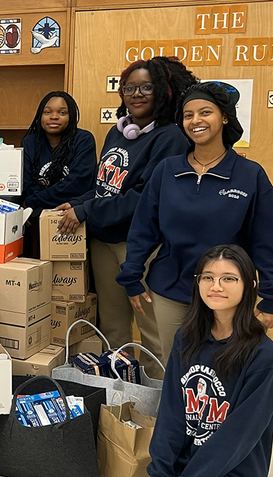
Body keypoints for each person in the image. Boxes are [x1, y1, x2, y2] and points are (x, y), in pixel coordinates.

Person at [117, 82, 273, 362]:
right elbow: (143, 229)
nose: (196, 121)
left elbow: (270, 239)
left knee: (221, 373)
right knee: (174, 369)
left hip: (226, 295)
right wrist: (131, 278)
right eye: (188, 115)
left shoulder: (249, 175)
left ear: (224, 116)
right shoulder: (167, 170)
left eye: (205, 112)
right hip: (170, 292)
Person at [55, 57, 197, 378]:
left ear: (163, 90)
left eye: (146, 87)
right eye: (129, 88)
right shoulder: (117, 133)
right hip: (104, 241)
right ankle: (119, 399)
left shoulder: (170, 138)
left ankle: (156, 407)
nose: (137, 94)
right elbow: (104, 187)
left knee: (152, 332)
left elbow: (141, 199)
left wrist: (85, 211)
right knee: (113, 328)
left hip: (139, 247)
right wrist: (77, 204)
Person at [148, 245, 273, 476]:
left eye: (229, 278)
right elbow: (170, 413)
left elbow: (238, 437)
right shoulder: (186, 338)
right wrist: (160, 471)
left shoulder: (264, 356)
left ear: (250, 286)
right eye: (208, 277)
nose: (216, 286)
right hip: (182, 468)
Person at [21, 91, 97, 258]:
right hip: (37, 219)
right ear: (40, 115)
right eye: (48, 112)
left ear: (71, 116)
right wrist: (32, 205)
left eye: (62, 112)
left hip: (73, 215)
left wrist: (32, 203)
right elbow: (27, 183)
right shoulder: (30, 142)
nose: (54, 117)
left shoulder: (83, 139)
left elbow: (77, 184)